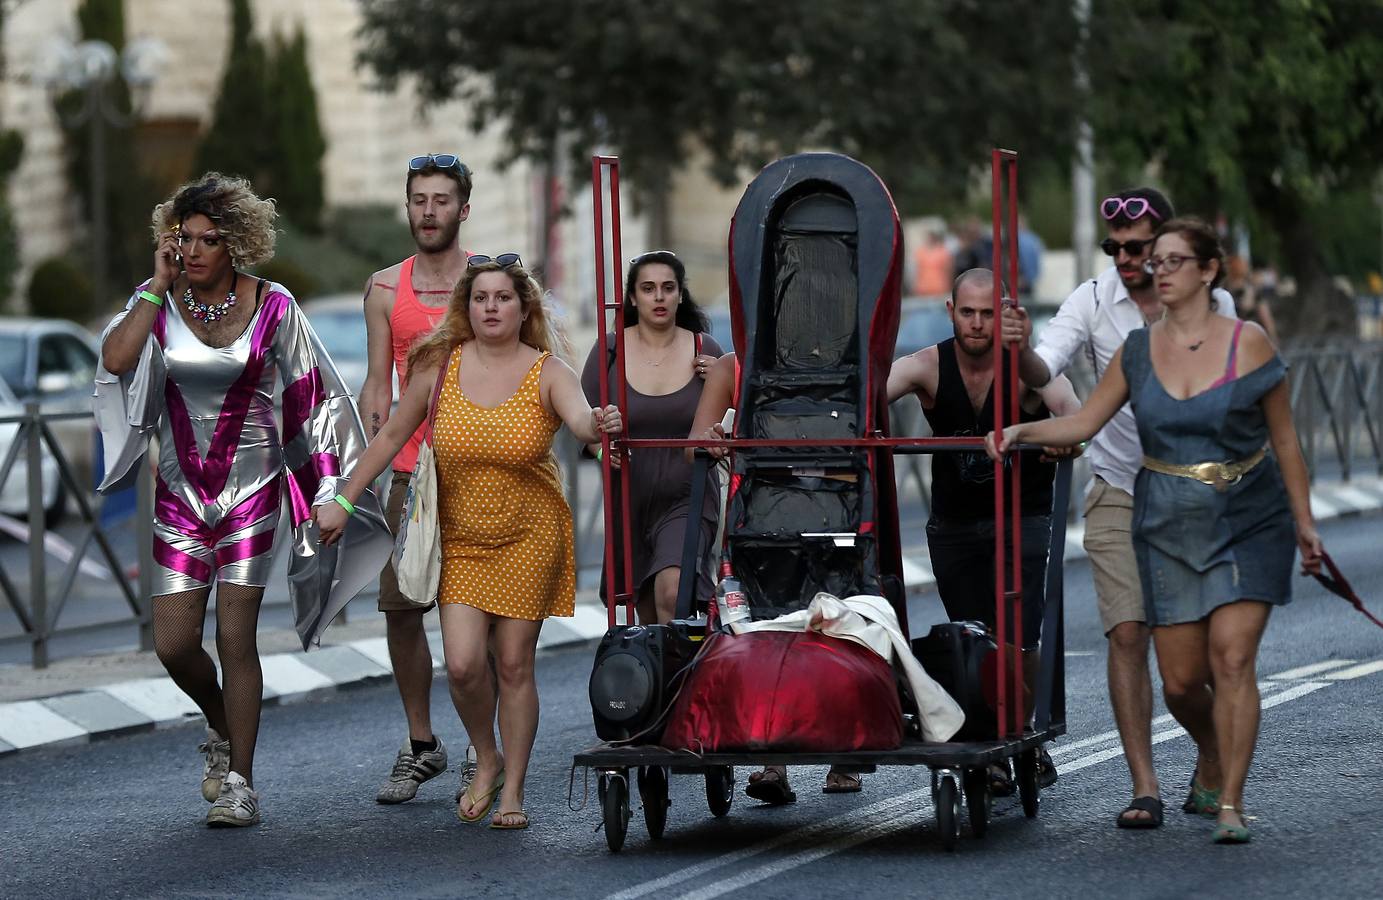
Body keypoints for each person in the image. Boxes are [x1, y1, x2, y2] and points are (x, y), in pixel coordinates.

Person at [988, 217, 1323, 844]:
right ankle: (1213, 751)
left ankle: (1231, 804)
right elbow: (1084, 420)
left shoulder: (1248, 343)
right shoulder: (1137, 351)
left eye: (1172, 261)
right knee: (1177, 681)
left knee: (1232, 657)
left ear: (1207, 271)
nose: (1157, 270)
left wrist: (1305, 524)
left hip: (1248, 517)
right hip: (1165, 519)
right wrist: (1022, 433)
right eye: (1155, 261)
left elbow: (1286, 441)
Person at [96, 173, 390, 828]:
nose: (194, 252)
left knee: (235, 635)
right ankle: (218, 724)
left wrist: (331, 490)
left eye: (207, 241)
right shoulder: (161, 302)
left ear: (234, 246)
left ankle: (240, 783)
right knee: (173, 645)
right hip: (178, 497)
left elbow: (315, 399)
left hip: (252, 495)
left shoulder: (275, 305)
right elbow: (117, 359)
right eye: (184, 239)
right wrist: (153, 284)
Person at [316, 256, 622, 831]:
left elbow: (582, 424)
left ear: (523, 307)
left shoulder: (549, 371)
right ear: (466, 307)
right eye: (480, 298)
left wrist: (599, 424)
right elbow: (389, 438)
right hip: (460, 536)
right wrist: (346, 498)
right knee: (461, 666)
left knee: (512, 663)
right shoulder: (439, 368)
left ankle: (514, 791)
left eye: (503, 298)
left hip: (530, 533)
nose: (491, 308)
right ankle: (487, 758)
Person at [999, 187, 1239, 829]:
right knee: (1127, 634)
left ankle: (1212, 750)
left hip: (1190, 494)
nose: (1129, 259)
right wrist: (1017, 346)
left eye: (1140, 247)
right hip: (1115, 486)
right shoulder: (1093, 298)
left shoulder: (1206, 305)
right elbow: (1044, 368)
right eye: (1118, 249)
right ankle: (1144, 786)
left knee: (1185, 663)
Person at [887, 268, 1079, 793]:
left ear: (1005, 317)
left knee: (1020, 635)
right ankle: (991, 741)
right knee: (972, 634)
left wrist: (1057, 434)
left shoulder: (1025, 369)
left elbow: (1071, 410)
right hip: (953, 523)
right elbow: (869, 396)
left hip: (1024, 516)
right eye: (967, 313)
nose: (977, 324)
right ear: (950, 311)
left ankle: (1027, 737)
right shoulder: (927, 365)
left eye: (988, 314)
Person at [685, 351, 864, 801]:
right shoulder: (732, 367)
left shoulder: (847, 362)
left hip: (834, 507)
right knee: (765, 624)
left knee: (835, 619)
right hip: (760, 516)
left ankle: (842, 750)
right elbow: (693, 446)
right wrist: (714, 439)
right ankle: (772, 762)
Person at [360, 153, 474, 805]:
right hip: (410, 476)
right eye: (418, 200)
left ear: (463, 209)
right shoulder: (383, 289)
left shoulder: (489, 282)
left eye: (440, 200)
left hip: (478, 473)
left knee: (478, 623)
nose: (428, 211)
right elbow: (380, 382)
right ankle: (423, 744)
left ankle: (482, 750)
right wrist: (373, 441)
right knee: (402, 611)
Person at [580, 250, 722, 624]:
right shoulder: (608, 350)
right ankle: (668, 683)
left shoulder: (705, 350)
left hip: (687, 495)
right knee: (646, 620)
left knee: (673, 593)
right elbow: (583, 423)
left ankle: (685, 681)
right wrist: (600, 450)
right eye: (648, 288)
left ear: (679, 295)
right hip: (628, 496)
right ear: (632, 298)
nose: (658, 297)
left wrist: (721, 382)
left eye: (667, 288)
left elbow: (733, 419)